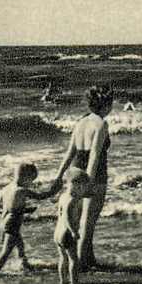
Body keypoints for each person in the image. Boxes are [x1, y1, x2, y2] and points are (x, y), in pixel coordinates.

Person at [52, 85, 113, 271]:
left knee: (75, 219)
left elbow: (70, 152)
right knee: (88, 221)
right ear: (107, 104)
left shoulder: (81, 121)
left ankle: (87, 259)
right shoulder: (101, 124)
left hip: (74, 170)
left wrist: (58, 176)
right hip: (93, 174)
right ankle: (80, 263)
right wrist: (89, 182)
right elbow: (94, 155)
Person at [0, 163, 55, 277]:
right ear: (26, 178)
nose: (31, 184)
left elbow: (2, 205)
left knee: (20, 245)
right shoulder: (22, 190)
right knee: (6, 251)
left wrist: (22, 209)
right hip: (13, 224)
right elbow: (41, 196)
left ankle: (24, 264)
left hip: (3, 221)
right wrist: (54, 190)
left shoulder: (6, 189)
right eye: (31, 181)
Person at [53, 168, 89, 284]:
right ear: (75, 186)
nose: (83, 190)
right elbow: (67, 217)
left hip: (57, 233)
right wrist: (73, 231)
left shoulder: (63, 196)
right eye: (82, 187)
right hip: (67, 233)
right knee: (74, 259)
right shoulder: (72, 200)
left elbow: (60, 214)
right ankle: (75, 282)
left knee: (63, 258)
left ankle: (63, 280)